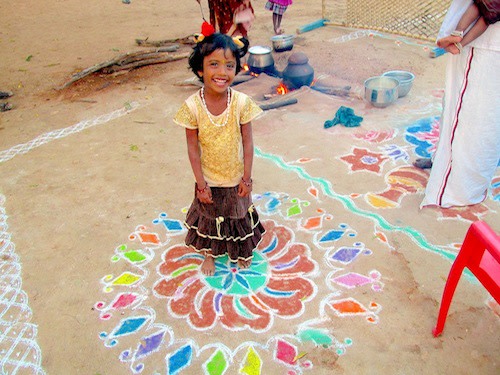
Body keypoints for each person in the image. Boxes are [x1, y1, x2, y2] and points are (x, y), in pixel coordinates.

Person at [173, 23, 265, 276]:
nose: (222, 72)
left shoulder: (241, 103)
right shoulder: (192, 107)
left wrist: (247, 177)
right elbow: (192, 148)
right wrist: (201, 184)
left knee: (237, 215)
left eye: (229, 65)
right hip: (209, 179)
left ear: (237, 68)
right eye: (213, 64)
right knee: (209, 218)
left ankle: (241, 251)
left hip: (236, 177)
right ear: (200, 69)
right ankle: (210, 256)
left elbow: (248, 142)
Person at [420, 0, 500, 208]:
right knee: (471, 111)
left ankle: (455, 189)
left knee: (471, 115)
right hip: (486, 36)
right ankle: (448, 167)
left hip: (488, 43)